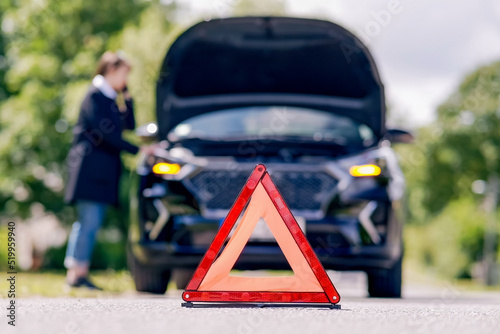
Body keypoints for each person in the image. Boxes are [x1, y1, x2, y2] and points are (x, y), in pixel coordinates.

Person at [63, 51, 156, 289]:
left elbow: (129, 127)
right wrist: (139, 151)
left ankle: (77, 271)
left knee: (90, 221)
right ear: (111, 71)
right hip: (89, 172)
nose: (126, 79)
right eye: (124, 73)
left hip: (102, 173)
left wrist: (128, 99)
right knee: (89, 221)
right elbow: (108, 135)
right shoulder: (94, 96)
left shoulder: (109, 98)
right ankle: (77, 274)